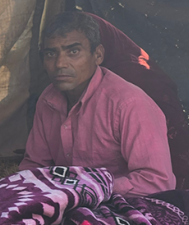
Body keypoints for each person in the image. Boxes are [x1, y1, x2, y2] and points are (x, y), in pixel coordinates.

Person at [20, 11, 175, 197]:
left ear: (98, 55)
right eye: (51, 53)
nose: (60, 64)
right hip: (66, 201)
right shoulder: (48, 99)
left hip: (122, 204)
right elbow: (35, 165)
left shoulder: (129, 104)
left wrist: (85, 191)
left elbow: (157, 182)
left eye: (73, 52)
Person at [89, 13, 189, 191]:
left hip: (151, 177)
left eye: (74, 50)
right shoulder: (67, 90)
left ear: (99, 50)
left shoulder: (136, 82)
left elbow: (155, 178)